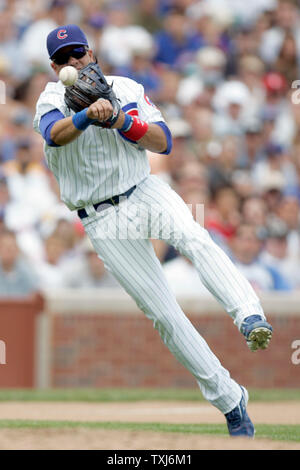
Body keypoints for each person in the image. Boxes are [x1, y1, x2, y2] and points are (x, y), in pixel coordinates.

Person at [33, 24, 273, 437]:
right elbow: (54, 135)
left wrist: (125, 124)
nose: (75, 62)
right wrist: (87, 116)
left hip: (144, 189)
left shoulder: (125, 87)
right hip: (101, 217)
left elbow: (165, 143)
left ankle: (250, 316)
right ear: (55, 66)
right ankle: (231, 401)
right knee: (163, 314)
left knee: (195, 238)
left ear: (92, 53)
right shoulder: (52, 98)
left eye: (80, 53)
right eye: (65, 58)